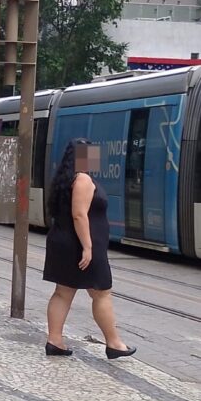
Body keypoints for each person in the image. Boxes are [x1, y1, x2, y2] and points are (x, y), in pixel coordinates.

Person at [42, 139, 136, 360]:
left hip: (63, 242)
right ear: (82, 157)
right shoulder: (83, 179)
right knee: (102, 292)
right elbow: (79, 214)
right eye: (91, 154)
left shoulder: (66, 180)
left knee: (63, 292)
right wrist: (88, 247)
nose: (95, 159)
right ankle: (114, 343)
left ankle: (55, 340)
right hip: (79, 245)